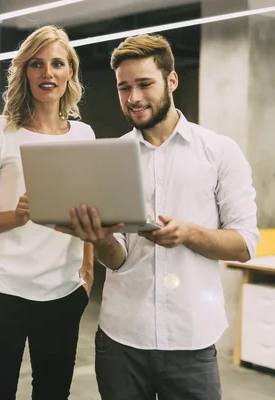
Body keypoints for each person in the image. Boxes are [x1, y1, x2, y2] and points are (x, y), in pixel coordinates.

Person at [57, 34, 260, 400]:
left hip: (191, 344)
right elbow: (117, 260)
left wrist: (189, 234)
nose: (133, 98)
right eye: (124, 87)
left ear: (171, 80)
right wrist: (99, 237)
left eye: (144, 84)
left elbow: (245, 245)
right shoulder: (111, 158)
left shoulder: (219, 152)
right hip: (121, 342)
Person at [0, 25, 95, 400]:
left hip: (62, 291)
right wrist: (14, 217)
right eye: (37, 64)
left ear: (70, 73)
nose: (47, 73)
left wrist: (86, 275)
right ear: (25, 72)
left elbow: (89, 212)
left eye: (57, 64)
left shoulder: (84, 137)